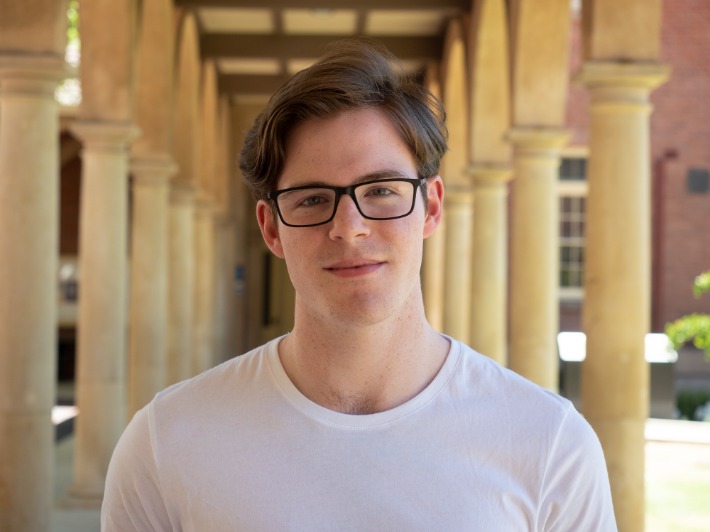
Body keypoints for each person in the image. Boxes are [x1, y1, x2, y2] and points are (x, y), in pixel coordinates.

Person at [102, 40, 617, 531]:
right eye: (311, 198)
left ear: (431, 206)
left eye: (382, 190)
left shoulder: (548, 443)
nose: (349, 226)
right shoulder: (166, 443)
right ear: (271, 228)